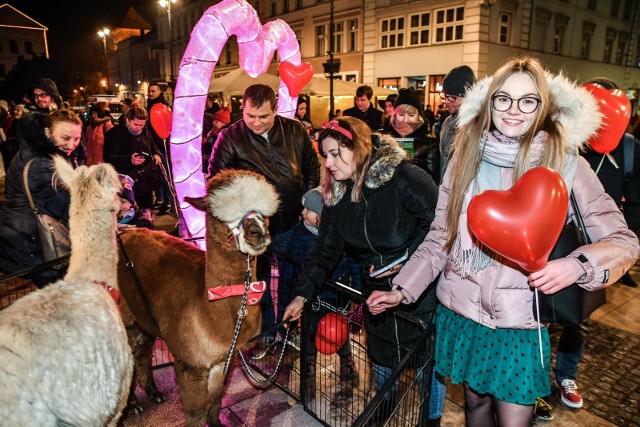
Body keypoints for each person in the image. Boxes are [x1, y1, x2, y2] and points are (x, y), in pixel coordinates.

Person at [367, 56, 640, 426]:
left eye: (528, 100)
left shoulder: (566, 162)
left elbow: (624, 242)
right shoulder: (465, 155)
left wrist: (577, 265)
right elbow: (440, 237)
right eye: (504, 99)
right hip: (462, 314)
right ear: (490, 102)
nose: (514, 110)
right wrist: (403, 289)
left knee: (515, 419)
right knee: (476, 407)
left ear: (543, 107)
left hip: (520, 323)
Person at [283, 116, 445, 426]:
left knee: (426, 365)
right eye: (325, 155)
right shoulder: (339, 195)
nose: (328, 163)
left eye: (335, 153)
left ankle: (431, 420)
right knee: (383, 358)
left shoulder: (404, 177)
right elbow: (324, 250)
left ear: (357, 147)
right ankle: (382, 408)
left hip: (422, 289)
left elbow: (440, 226)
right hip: (376, 293)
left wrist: (405, 258)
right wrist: (303, 293)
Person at [208, 83, 320, 352]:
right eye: (250, 116)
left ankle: (288, 329)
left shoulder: (294, 130)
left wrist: (310, 203)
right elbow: (216, 181)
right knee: (259, 283)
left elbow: (312, 169)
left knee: (292, 281)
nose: (256, 123)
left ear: (275, 110)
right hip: (255, 228)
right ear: (242, 110)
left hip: (294, 221)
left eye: (263, 117)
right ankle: (267, 331)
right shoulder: (229, 137)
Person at [0, 109, 84, 287]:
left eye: (76, 139)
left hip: (29, 236)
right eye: (66, 138)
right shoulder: (40, 164)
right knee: (55, 293)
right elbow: (66, 206)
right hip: (31, 241)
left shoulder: (42, 153)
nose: (71, 145)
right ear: (47, 132)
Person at [288, 187, 358, 381]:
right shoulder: (300, 234)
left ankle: (347, 361)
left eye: (308, 209)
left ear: (320, 214)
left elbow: (352, 261)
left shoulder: (339, 234)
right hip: (313, 296)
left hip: (337, 293)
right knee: (310, 329)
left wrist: (357, 292)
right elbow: (295, 262)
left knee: (339, 329)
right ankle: (309, 361)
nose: (302, 213)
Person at [104, 105, 162, 212]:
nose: (139, 128)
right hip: (125, 183)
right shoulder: (115, 134)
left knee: (146, 213)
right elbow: (109, 158)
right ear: (127, 120)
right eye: (135, 124)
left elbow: (153, 147)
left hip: (145, 182)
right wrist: (129, 160)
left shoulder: (146, 132)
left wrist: (156, 154)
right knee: (129, 215)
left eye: (142, 125)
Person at [381, 88, 439, 184]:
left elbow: (432, 181)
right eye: (401, 114)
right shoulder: (383, 139)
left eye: (411, 115)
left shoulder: (429, 144)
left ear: (418, 116)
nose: (406, 120)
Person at [439, 65, 476, 177]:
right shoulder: (447, 122)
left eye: (452, 97)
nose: (447, 101)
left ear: (467, 96)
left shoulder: (477, 124)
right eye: (445, 96)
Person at [146, 82, 173, 216]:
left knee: (164, 175)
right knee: (157, 175)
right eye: (149, 91)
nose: (150, 94)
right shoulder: (149, 106)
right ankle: (160, 199)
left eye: (153, 91)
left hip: (162, 145)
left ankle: (168, 202)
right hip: (153, 145)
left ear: (159, 92)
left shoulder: (162, 106)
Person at [201, 106, 231, 174]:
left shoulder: (222, 135)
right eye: (214, 120)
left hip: (215, 164)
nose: (214, 122)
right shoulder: (212, 132)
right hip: (208, 162)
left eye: (217, 121)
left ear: (224, 123)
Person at [84, 102, 114, 166]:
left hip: (102, 161)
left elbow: (112, 144)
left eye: (94, 113)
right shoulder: (90, 126)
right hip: (89, 161)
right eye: (92, 113)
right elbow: (86, 142)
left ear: (99, 113)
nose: (92, 115)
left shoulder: (107, 125)